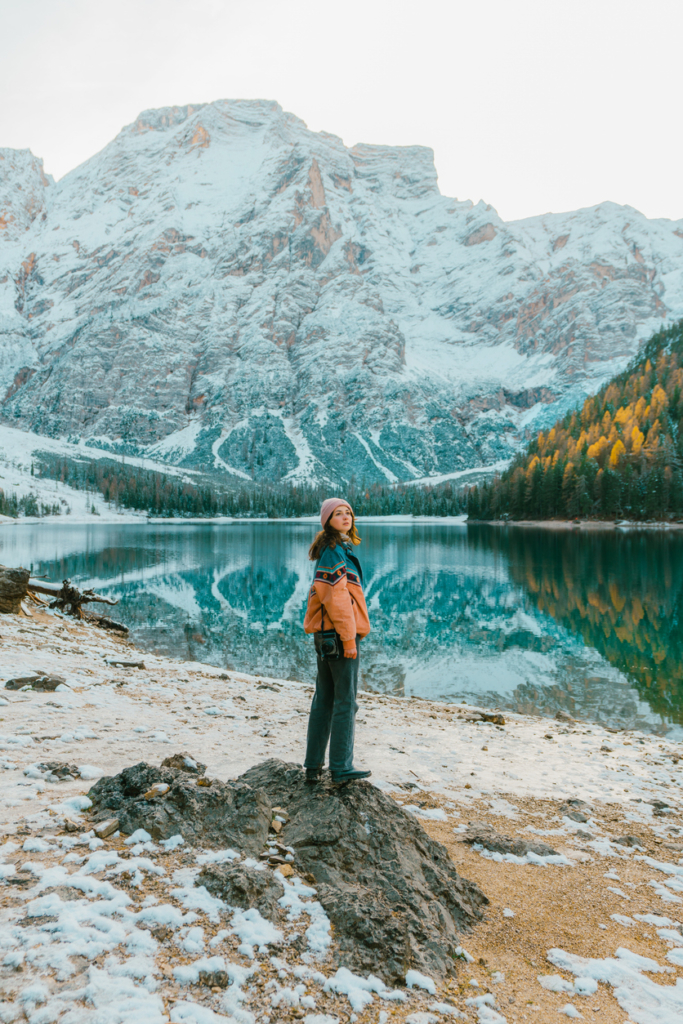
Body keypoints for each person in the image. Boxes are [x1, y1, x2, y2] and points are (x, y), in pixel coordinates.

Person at [303, 497, 371, 783]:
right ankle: (341, 767)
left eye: (348, 513)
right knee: (346, 701)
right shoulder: (334, 552)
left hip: (325, 635)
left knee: (325, 698)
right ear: (327, 521)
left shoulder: (336, 549)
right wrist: (349, 639)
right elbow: (338, 599)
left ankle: (313, 767)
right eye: (338, 514)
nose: (345, 517)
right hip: (339, 635)